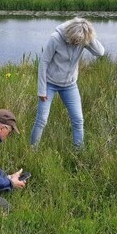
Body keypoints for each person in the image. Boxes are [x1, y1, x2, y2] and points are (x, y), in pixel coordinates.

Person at [30, 17, 105, 150]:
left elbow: (100, 52)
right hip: (50, 84)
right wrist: (42, 90)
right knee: (42, 120)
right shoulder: (55, 38)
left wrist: (89, 36)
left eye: (79, 42)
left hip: (70, 85)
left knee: (78, 120)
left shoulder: (83, 39)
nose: (76, 44)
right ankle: (32, 150)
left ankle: (78, 152)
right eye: (75, 41)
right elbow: (43, 62)